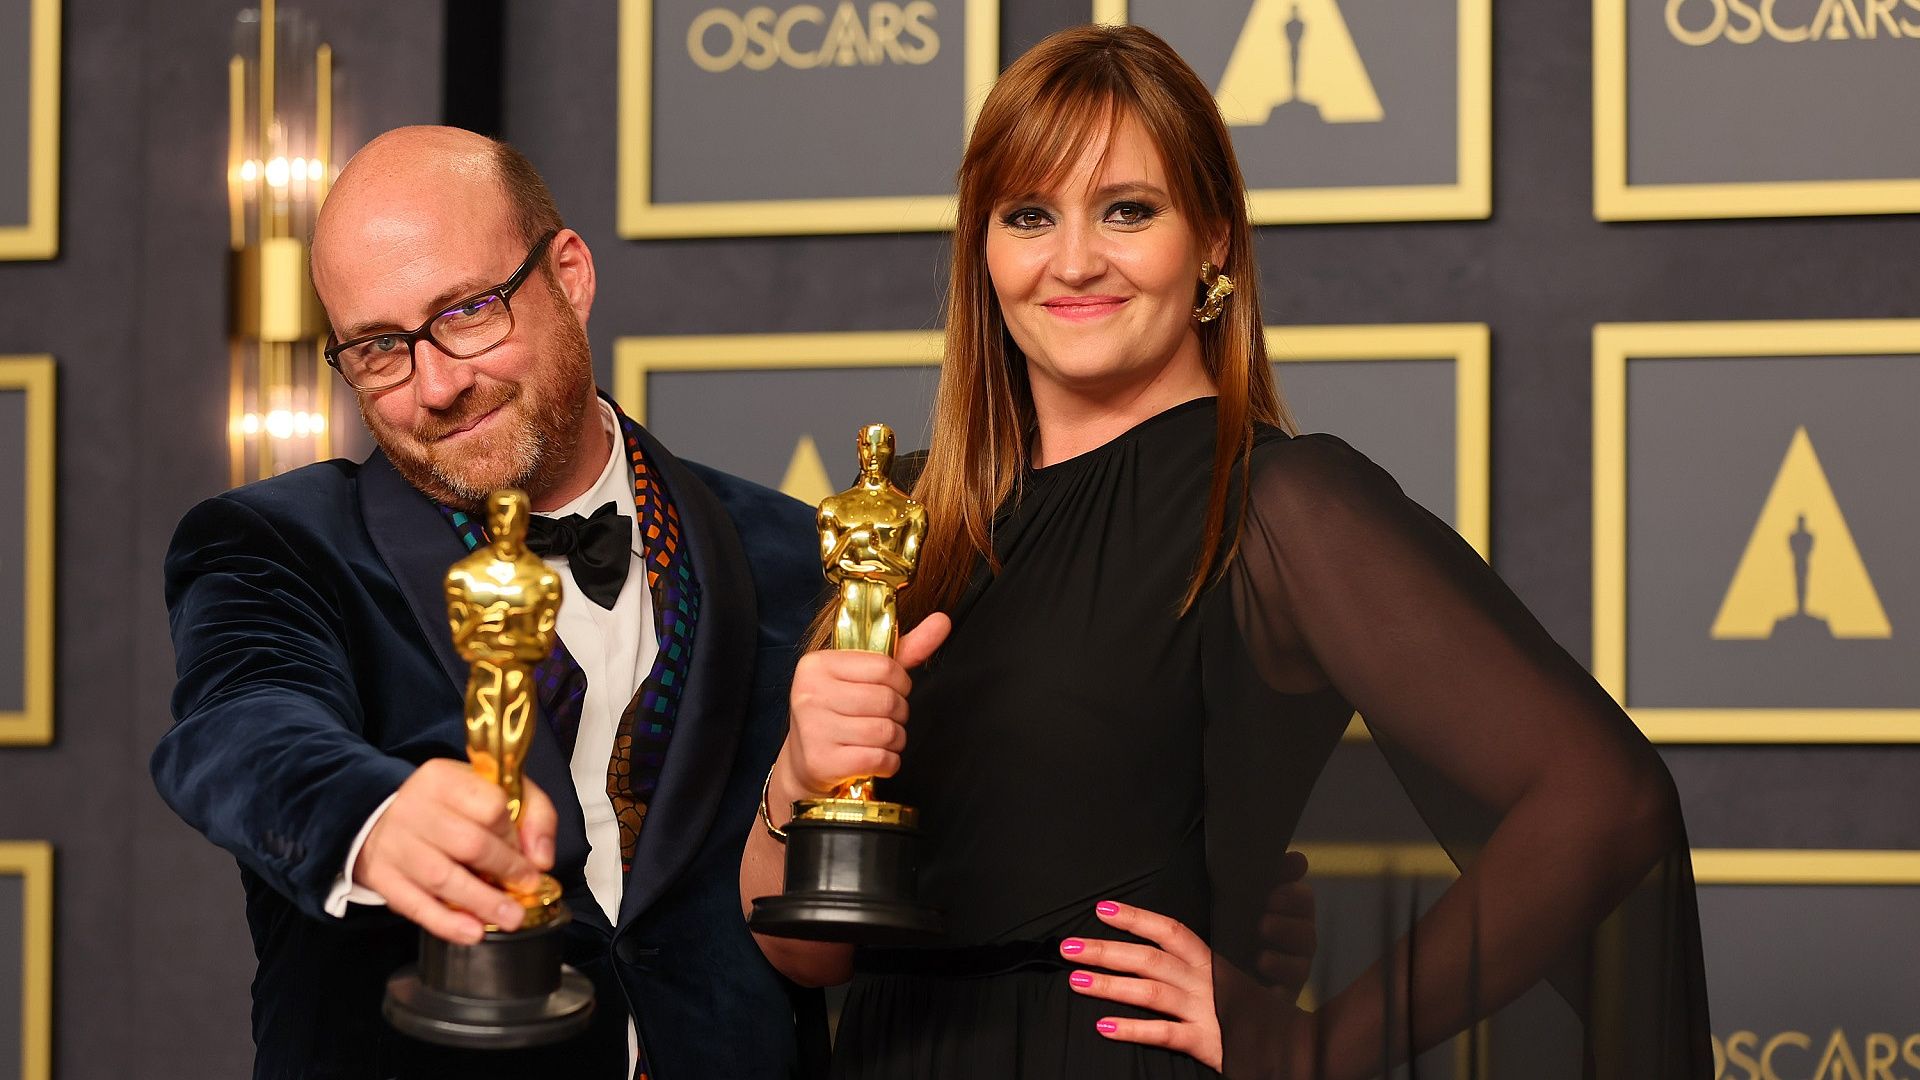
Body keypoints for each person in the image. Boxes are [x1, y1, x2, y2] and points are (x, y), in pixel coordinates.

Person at [739, 25, 1711, 1079]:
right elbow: (805, 954)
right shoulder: (908, 519)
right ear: (983, 250)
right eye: (1029, 215)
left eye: (1128, 210)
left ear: (1213, 241)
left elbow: (1606, 801)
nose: (1073, 260)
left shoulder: (1278, 504)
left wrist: (1317, 1046)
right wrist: (797, 776)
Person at [154, 127, 825, 1079]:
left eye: (467, 313)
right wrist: (372, 818)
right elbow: (239, 725)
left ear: (570, 274)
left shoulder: (795, 553)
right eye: (381, 348)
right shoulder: (277, 542)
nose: (437, 385)